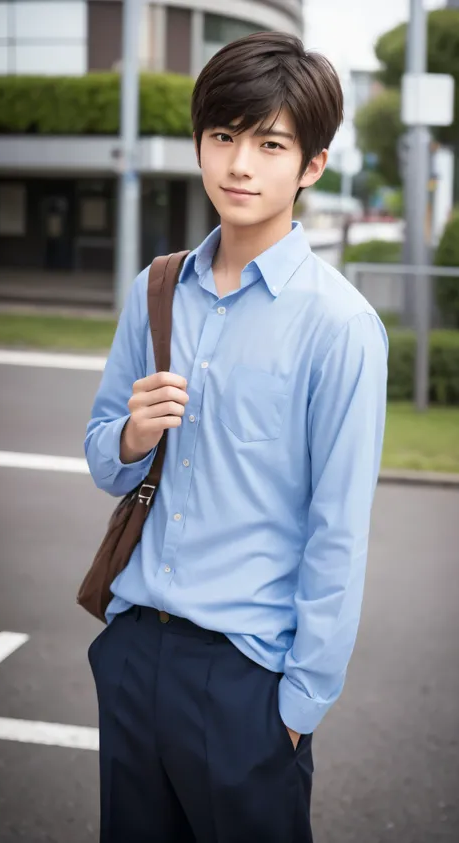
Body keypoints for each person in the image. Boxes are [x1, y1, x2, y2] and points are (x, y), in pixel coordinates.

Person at [85, 30, 388, 843]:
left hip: (248, 680)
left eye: (270, 142)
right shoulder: (157, 288)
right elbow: (101, 456)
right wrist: (131, 437)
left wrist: (297, 707)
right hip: (135, 652)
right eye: (223, 136)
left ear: (312, 164)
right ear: (199, 144)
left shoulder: (341, 326)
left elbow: (339, 529)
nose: (240, 164)